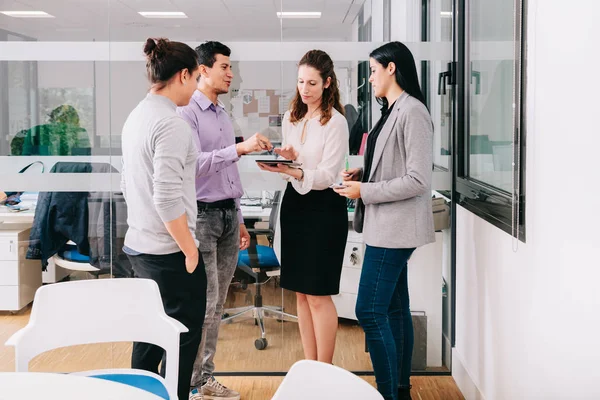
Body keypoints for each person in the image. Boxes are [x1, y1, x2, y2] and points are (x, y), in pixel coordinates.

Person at [334, 42, 435, 400]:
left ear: (392, 68)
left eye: (374, 71)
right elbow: (393, 162)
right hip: (385, 225)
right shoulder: (391, 110)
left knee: (368, 310)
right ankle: (401, 390)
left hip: (395, 229)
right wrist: (364, 172)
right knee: (393, 308)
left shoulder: (413, 112)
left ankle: (387, 394)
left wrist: (365, 190)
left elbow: (419, 179)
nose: (371, 78)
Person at [177, 41, 273, 400]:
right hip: (202, 217)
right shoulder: (187, 113)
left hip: (229, 216)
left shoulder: (220, 112)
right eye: (224, 67)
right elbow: (194, 165)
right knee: (204, 302)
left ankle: (204, 379)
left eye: (231, 68)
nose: (230, 73)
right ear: (203, 70)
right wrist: (240, 148)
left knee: (216, 305)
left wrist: (241, 217)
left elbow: (227, 171)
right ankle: (190, 383)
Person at [120, 37, 206, 400]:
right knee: (181, 344)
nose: (198, 86)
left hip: (140, 246)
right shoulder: (172, 124)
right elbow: (167, 197)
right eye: (197, 77)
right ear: (183, 75)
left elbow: (128, 182)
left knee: (150, 339)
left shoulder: (138, 114)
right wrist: (189, 250)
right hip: (169, 253)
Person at [258, 49, 349, 365]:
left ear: (326, 83)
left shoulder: (336, 122)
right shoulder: (291, 118)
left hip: (324, 210)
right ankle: (310, 366)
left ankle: (325, 369)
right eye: (300, 82)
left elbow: (325, 175)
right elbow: (300, 162)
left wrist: (293, 170)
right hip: (295, 205)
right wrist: (284, 158)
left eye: (312, 82)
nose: (305, 89)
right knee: (299, 291)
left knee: (318, 294)